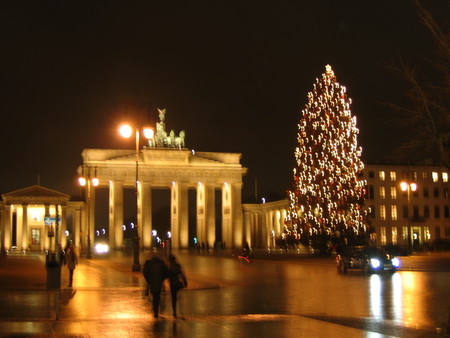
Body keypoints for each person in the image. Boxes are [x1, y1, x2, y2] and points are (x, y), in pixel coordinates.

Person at [143, 253, 168, 319]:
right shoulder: (161, 264)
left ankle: (155, 312)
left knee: (154, 297)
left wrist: (149, 281)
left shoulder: (149, 264)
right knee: (158, 296)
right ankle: (158, 311)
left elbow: (145, 273)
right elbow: (166, 273)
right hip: (159, 283)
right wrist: (162, 279)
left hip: (152, 283)